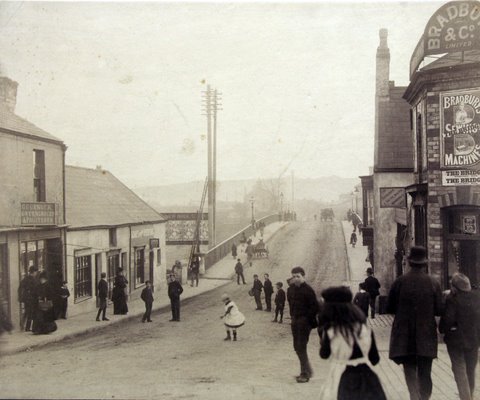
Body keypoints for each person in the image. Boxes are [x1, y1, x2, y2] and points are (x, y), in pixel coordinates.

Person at [387, 246, 443, 400]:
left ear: (409, 262)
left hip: (405, 333)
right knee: (425, 369)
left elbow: (389, 307)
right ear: (425, 263)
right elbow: (439, 310)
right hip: (426, 333)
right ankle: (424, 397)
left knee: (409, 367)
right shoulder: (433, 283)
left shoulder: (399, 282)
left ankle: (414, 396)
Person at [317, 286, 386, 400]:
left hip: (340, 376)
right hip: (366, 377)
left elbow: (324, 354)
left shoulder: (331, 332)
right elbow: (375, 359)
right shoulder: (365, 330)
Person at [439, 273, 480, 400]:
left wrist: (443, 329)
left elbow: (448, 320)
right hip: (474, 340)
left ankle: (466, 398)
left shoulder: (452, 299)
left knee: (459, 371)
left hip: (456, 341)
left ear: (455, 287)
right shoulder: (477, 297)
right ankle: (470, 396)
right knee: (470, 370)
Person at [289, 266, 320, 383]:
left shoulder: (308, 290)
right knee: (296, 347)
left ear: (303, 276)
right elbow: (291, 304)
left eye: (298, 276)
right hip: (295, 321)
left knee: (301, 346)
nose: (296, 279)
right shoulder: (291, 289)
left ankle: (305, 374)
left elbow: (315, 307)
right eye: (294, 276)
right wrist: (293, 317)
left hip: (304, 322)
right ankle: (308, 370)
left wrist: (306, 320)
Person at [18, 266, 38, 331]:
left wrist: (21, 297)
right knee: (30, 313)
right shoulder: (32, 279)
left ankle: (23, 326)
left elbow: (20, 288)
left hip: (27, 298)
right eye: (36, 272)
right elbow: (35, 289)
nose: (36, 273)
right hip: (31, 299)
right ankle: (26, 327)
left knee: (27, 312)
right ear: (33, 272)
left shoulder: (25, 279)